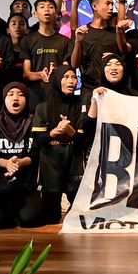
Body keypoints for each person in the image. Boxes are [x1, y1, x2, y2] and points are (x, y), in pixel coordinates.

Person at [0, 83, 43, 228]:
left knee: (31, 220)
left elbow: (36, 153)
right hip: (1, 186)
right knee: (0, 222)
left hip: (26, 185)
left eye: (20, 95)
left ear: (26, 99)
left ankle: (20, 212)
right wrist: (6, 163)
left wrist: (20, 162)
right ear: (4, 99)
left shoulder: (32, 121)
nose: (15, 98)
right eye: (11, 94)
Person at [33, 66, 82, 224]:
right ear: (57, 80)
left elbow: (83, 141)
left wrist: (69, 130)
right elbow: (39, 140)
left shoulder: (81, 107)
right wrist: (53, 133)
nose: (71, 81)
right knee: (51, 218)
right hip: (51, 165)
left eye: (74, 77)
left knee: (79, 218)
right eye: (66, 77)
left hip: (74, 164)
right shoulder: (42, 108)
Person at [21, 0, 73, 105]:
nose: (46, 9)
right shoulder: (28, 40)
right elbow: (26, 74)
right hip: (36, 96)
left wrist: (57, 72)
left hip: (59, 96)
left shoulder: (65, 41)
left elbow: (66, 69)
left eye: (50, 7)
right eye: (42, 7)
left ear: (55, 13)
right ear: (35, 14)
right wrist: (41, 74)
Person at [71, 0, 126, 89]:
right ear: (94, 6)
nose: (111, 8)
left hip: (112, 89)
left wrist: (122, 0)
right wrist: (78, 42)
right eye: (107, 4)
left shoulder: (115, 33)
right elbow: (74, 64)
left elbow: (121, 26)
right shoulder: (83, 33)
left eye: (112, 4)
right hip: (89, 89)